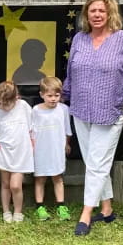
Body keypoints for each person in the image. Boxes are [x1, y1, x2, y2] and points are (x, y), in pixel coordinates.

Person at [63, 0, 123, 236]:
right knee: (93, 162)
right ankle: (107, 209)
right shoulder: (79, 39)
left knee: (97, 164)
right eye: (93, 10)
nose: (97, 15)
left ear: (110, 13)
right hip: (80, 109)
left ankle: (86, 214)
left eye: (101, 10)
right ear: (86, 14)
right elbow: (70, 73)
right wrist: (64, 97)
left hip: (110, 112)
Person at [0, 81, 33, 223]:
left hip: (21, 152)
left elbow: (32, 127)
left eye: (6, 104)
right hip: (4, 152)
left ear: (16, 97)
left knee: (15, 185)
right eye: (1, 103)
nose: (3, 106)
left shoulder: (23, 107)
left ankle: (18, 212)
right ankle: (6, 211)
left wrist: (33, 143)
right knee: (5, 184)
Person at [32, 77, 72, 221]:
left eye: (56, 95)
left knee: (58, 177)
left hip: (57, 150)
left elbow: (67, 129)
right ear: (42, 94)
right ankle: (40, 207)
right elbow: (31, 131)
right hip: (40, 150)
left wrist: (67, 144)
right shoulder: (36, 110)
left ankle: (61, 206)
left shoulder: (63, 109)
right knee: (40, 178)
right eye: (49, 96)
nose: (53, 99)